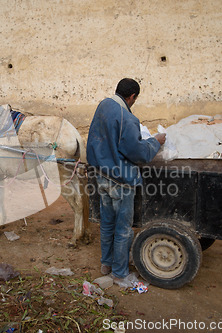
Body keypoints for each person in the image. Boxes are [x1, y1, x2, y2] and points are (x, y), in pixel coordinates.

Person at [86, 78, 166, 282]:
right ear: (132, 97)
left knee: (107, 223)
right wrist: (155, 142)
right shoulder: (127, 119)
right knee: (122, 229)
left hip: (101, 177)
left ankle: (106, 264)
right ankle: (119, 273)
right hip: (120, 182)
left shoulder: (104, 105)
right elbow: (138, 153)